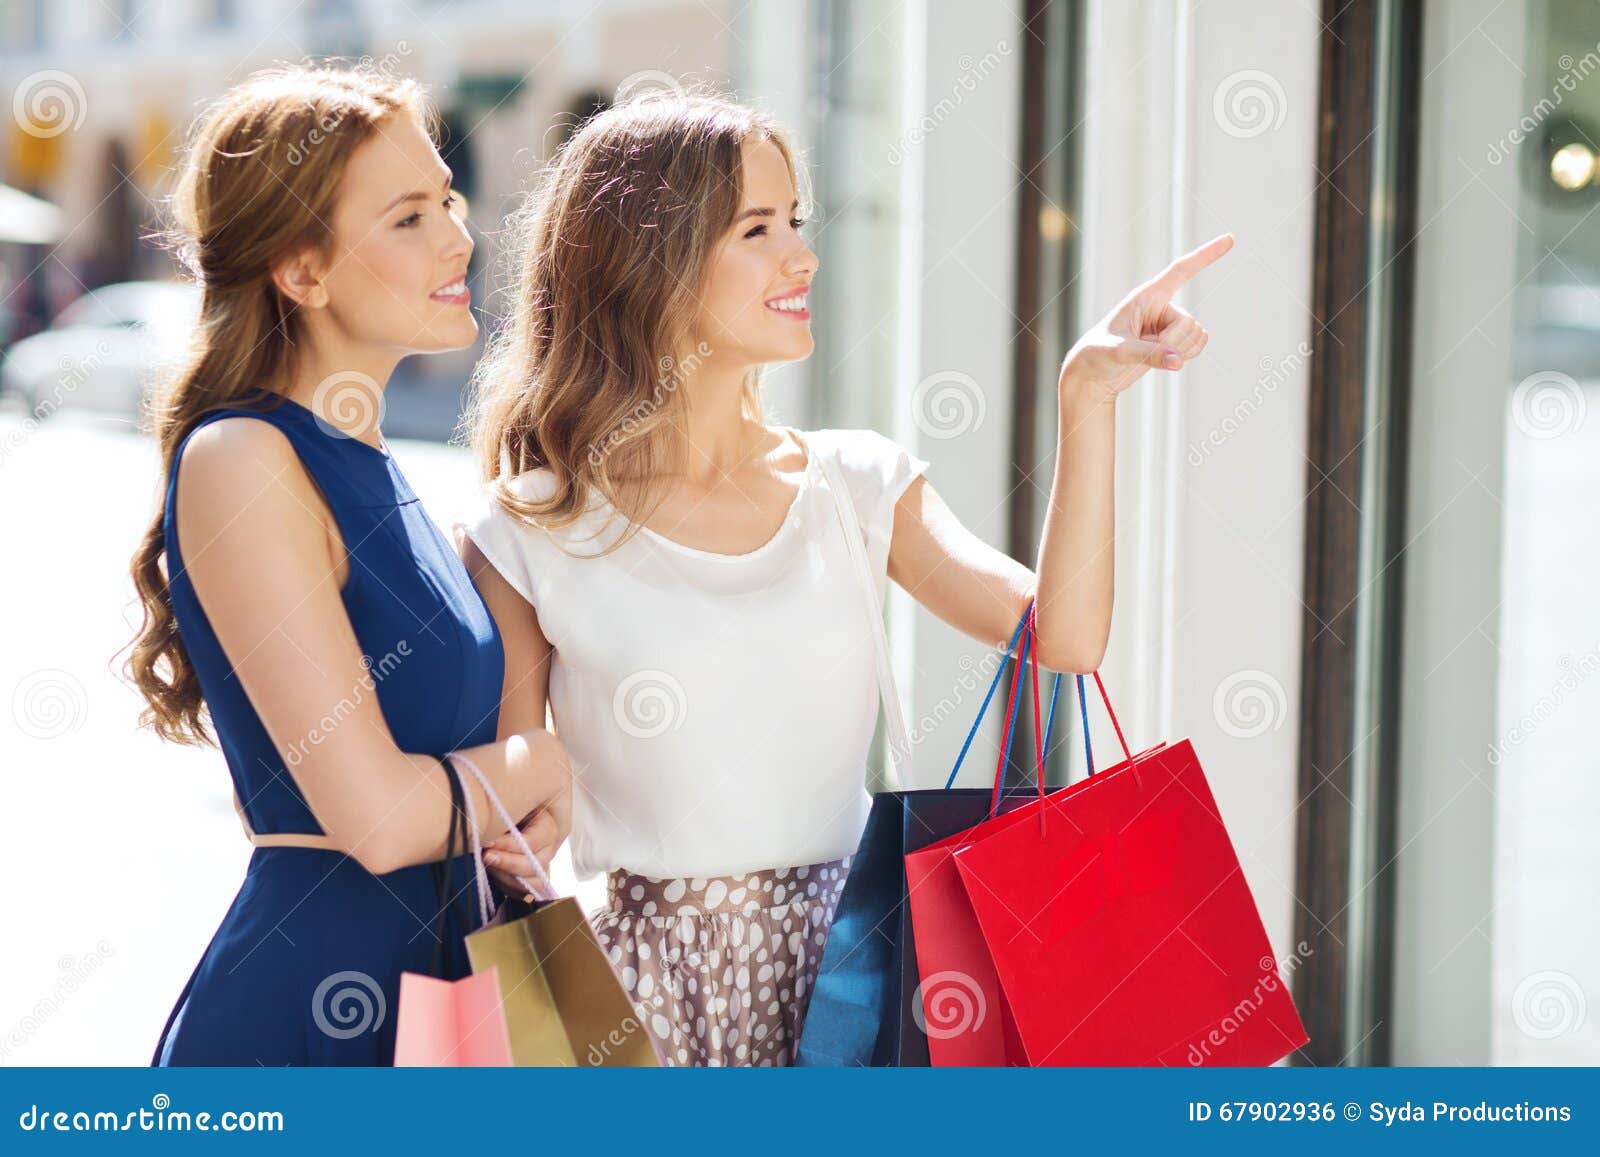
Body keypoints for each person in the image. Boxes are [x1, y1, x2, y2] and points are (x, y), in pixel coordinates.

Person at [458, 90, 1230, 1066]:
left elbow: (1064, 640)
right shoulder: (530, 525)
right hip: (637, 1004)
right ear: (646, 259)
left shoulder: (857, 483)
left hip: (863, 978)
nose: (802, 256)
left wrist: (1086, 398)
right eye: (756, 229)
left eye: (797, 222)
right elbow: (513, 835)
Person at [122, 63, 571, 1067]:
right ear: (302, 270)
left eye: (449, 200)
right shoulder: (244, 458)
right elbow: (377, 818)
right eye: (409, 216)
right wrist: (547, 762)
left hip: (453, 1000)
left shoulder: (381, 470)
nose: (460, 236)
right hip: (312, 1017)